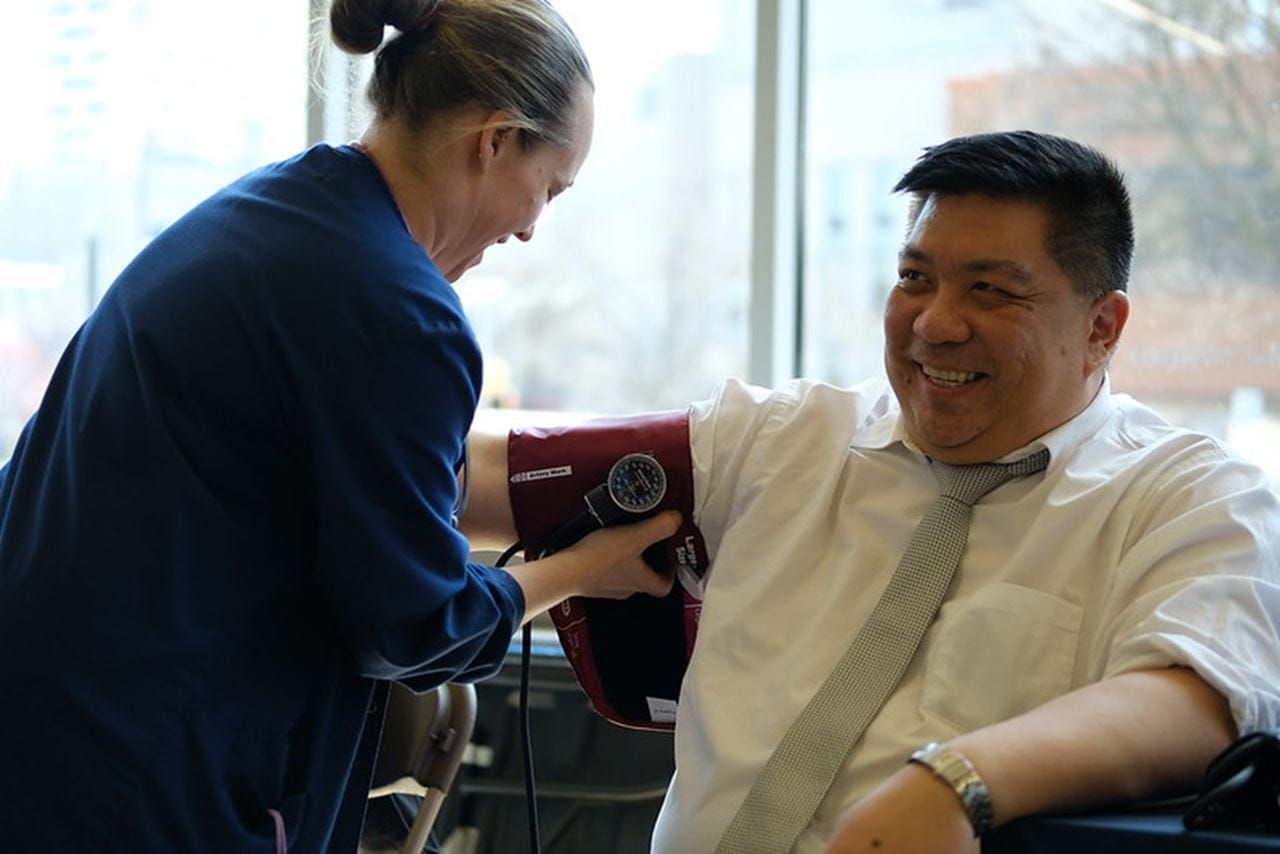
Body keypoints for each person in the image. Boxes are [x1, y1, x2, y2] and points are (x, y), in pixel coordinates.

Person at [460, 130, 1280, 853]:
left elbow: (1197, 698)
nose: (934, 323)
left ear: (1102, 326)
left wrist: (953, 781)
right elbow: (478, 480)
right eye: (915, 277)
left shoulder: (1188, 495)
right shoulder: (780, 438)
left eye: (990, 290)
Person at [0, 1, 678, 851]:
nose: (532, 225)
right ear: (495, 139)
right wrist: (583, 571)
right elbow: (416, 628)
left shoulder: (273, 212)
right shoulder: (397, 310)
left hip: (49, 718)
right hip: (141, 772)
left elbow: (342, 476)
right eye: (550, 186)